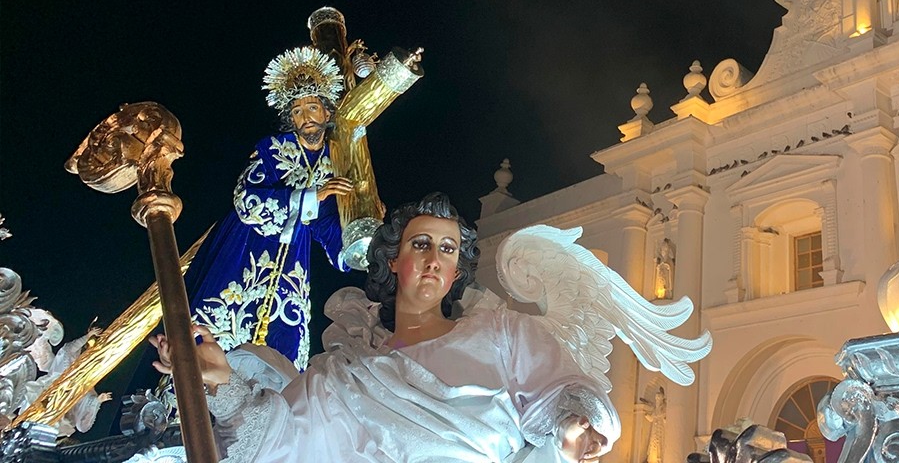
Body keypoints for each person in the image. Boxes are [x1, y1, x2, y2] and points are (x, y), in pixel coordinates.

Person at [151, 194, 619, 462]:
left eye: (449, 250)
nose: (435, 259)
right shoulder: (344, 372)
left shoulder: (502, 333)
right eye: (421, 244)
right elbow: (282, 441)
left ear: (457, 272)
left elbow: (565, 390)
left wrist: (574, 425)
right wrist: (221, 382)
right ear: (393, 260)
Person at [181, 46, 354, 371]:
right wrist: (310, 197)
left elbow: (326, 224)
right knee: (221, 329)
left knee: (281, 348)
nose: (305, 117)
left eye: (312, 107)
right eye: (298, 111)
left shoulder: (335, 161)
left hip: (292, 262)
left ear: (327, 113)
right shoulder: (274, 150)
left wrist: (359, 239)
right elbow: (247, 200)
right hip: (245, 247)